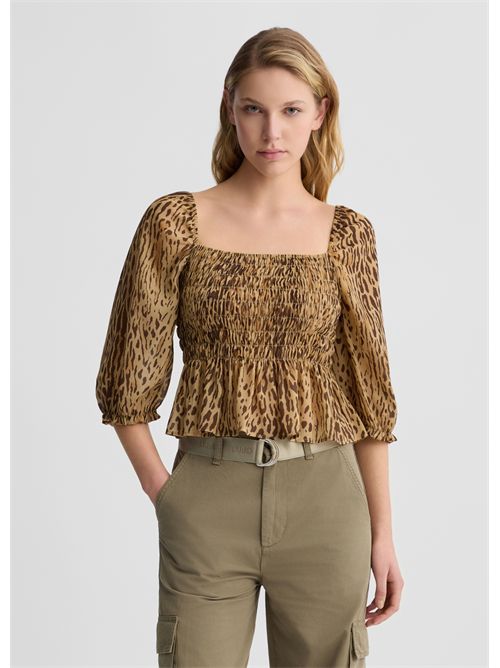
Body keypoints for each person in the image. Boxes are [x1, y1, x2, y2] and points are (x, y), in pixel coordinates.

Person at [95, 26, 404, 668]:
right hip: (208, 494)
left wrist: (383, 534)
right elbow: (127, 382)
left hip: (327, 498)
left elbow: (370, 397)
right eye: (254, 109)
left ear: (320, 113)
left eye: (291, 110)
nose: (272, 132)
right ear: (228, 107)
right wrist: (168, 496)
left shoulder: (347, 235)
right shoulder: (174, 223)